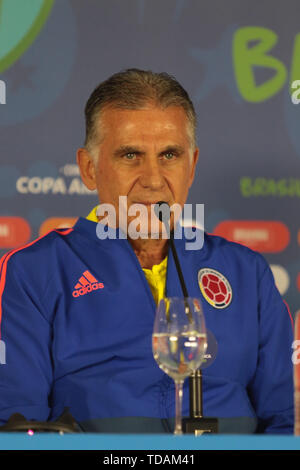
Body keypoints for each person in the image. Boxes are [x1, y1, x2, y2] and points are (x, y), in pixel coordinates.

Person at [0, 69, 294, 434]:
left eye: (170, 154)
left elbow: (281, 423)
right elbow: (16, 427)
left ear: (192, 166)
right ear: (89, 169)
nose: (153, 178)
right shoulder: (35, 271)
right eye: (130, 155)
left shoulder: (246, 271)